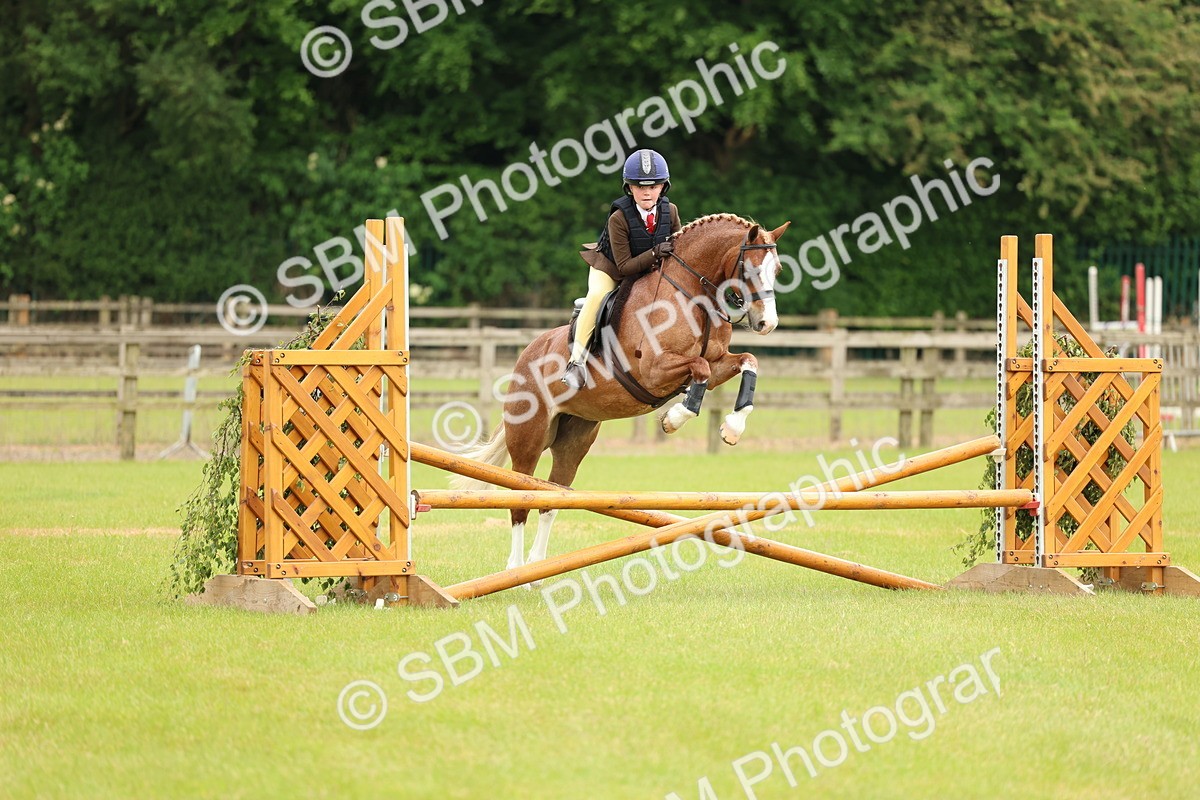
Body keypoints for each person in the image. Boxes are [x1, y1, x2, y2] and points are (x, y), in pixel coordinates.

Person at [563, 148, 682, 388]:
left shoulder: (671, 211)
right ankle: (575, 362)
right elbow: (625, 267)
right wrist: (654, 253)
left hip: (650, 266)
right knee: (597, 296)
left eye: (653, 186)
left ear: (663, 187)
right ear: (629, 188)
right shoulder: (618, 218)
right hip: (611, 267)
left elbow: (678, 248)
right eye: (640, 186)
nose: (647, 192)